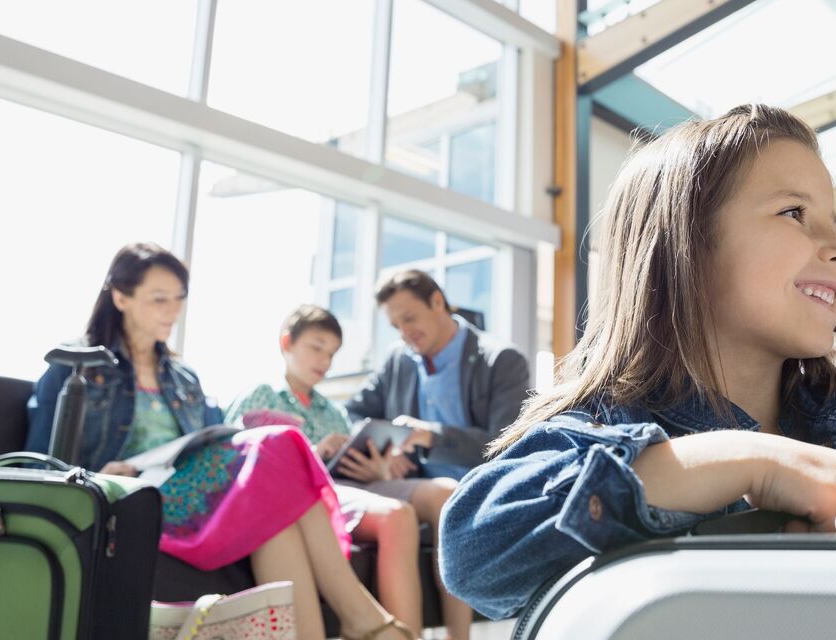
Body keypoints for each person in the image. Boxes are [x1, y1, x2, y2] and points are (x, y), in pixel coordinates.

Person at [437, 105, 836, 620]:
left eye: (835, 222)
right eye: (794, 213)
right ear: (685, 249)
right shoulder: (600, 428)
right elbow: (474, 551)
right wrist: (749, 461)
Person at [26, 242, 411, 640]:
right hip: (135, 500)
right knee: (280, 442)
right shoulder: (74, 364)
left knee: (277, 515)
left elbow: (215, 442)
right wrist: (100, 477)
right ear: (121, 297)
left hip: (191, 493)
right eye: (159, 299)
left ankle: (352, 622)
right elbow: (39, 466)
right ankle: (362, 617)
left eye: (178, 299)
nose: (172, 311)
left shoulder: (184, 378)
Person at [228, 305, 473, 639]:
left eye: (331, 354)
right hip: (302, 493)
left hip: (344, 488)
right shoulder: (262, 395)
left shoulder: (334, 411)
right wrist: (315, 452)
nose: (324, 362)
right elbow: (238, 461)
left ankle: (406, 634)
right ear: (287, 343)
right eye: (316, 348)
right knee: (396, 514)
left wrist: (377, 467)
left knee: (401, 512)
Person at [345, 270, 530, 480]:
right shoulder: (398, 359)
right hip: (419, 492)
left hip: (485, 490)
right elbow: (352, 414)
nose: (404, 333)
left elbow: (508, 445)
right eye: (396, 326)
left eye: (409, 318)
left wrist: (431, 436)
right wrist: (383, 451)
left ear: (437, 302)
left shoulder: (502, 360)